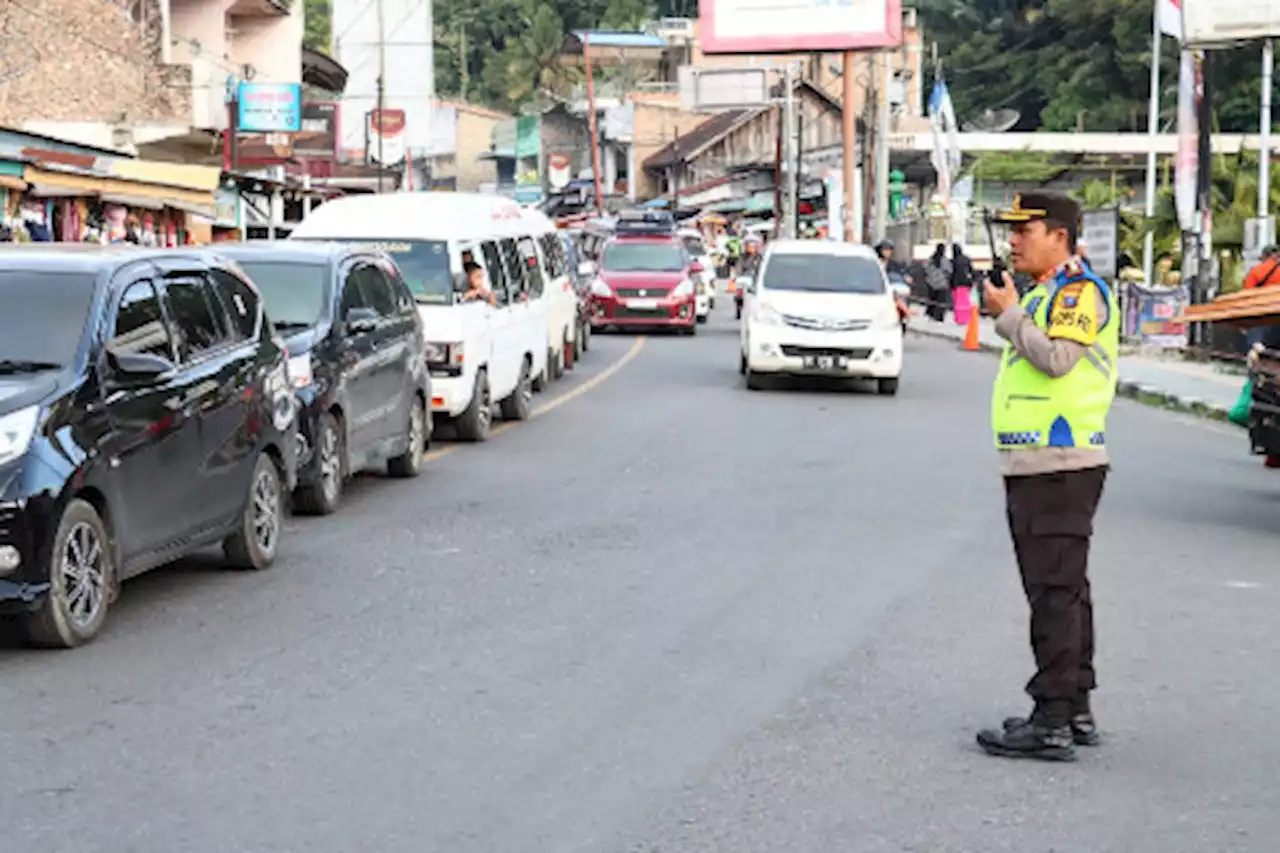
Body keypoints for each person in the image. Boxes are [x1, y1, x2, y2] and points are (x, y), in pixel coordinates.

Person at [974, 191, 1119, 763]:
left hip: (1059, 464)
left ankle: (1052, 717)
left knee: (1054, 593)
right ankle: (1075, 706)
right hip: (1041, 463)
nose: (1012, 240)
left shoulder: (1078, 292)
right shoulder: (1049, 292)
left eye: (1023, 230)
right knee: (1066, 590)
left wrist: (1008, 317)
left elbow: (1058, 359)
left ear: (1058, 235)